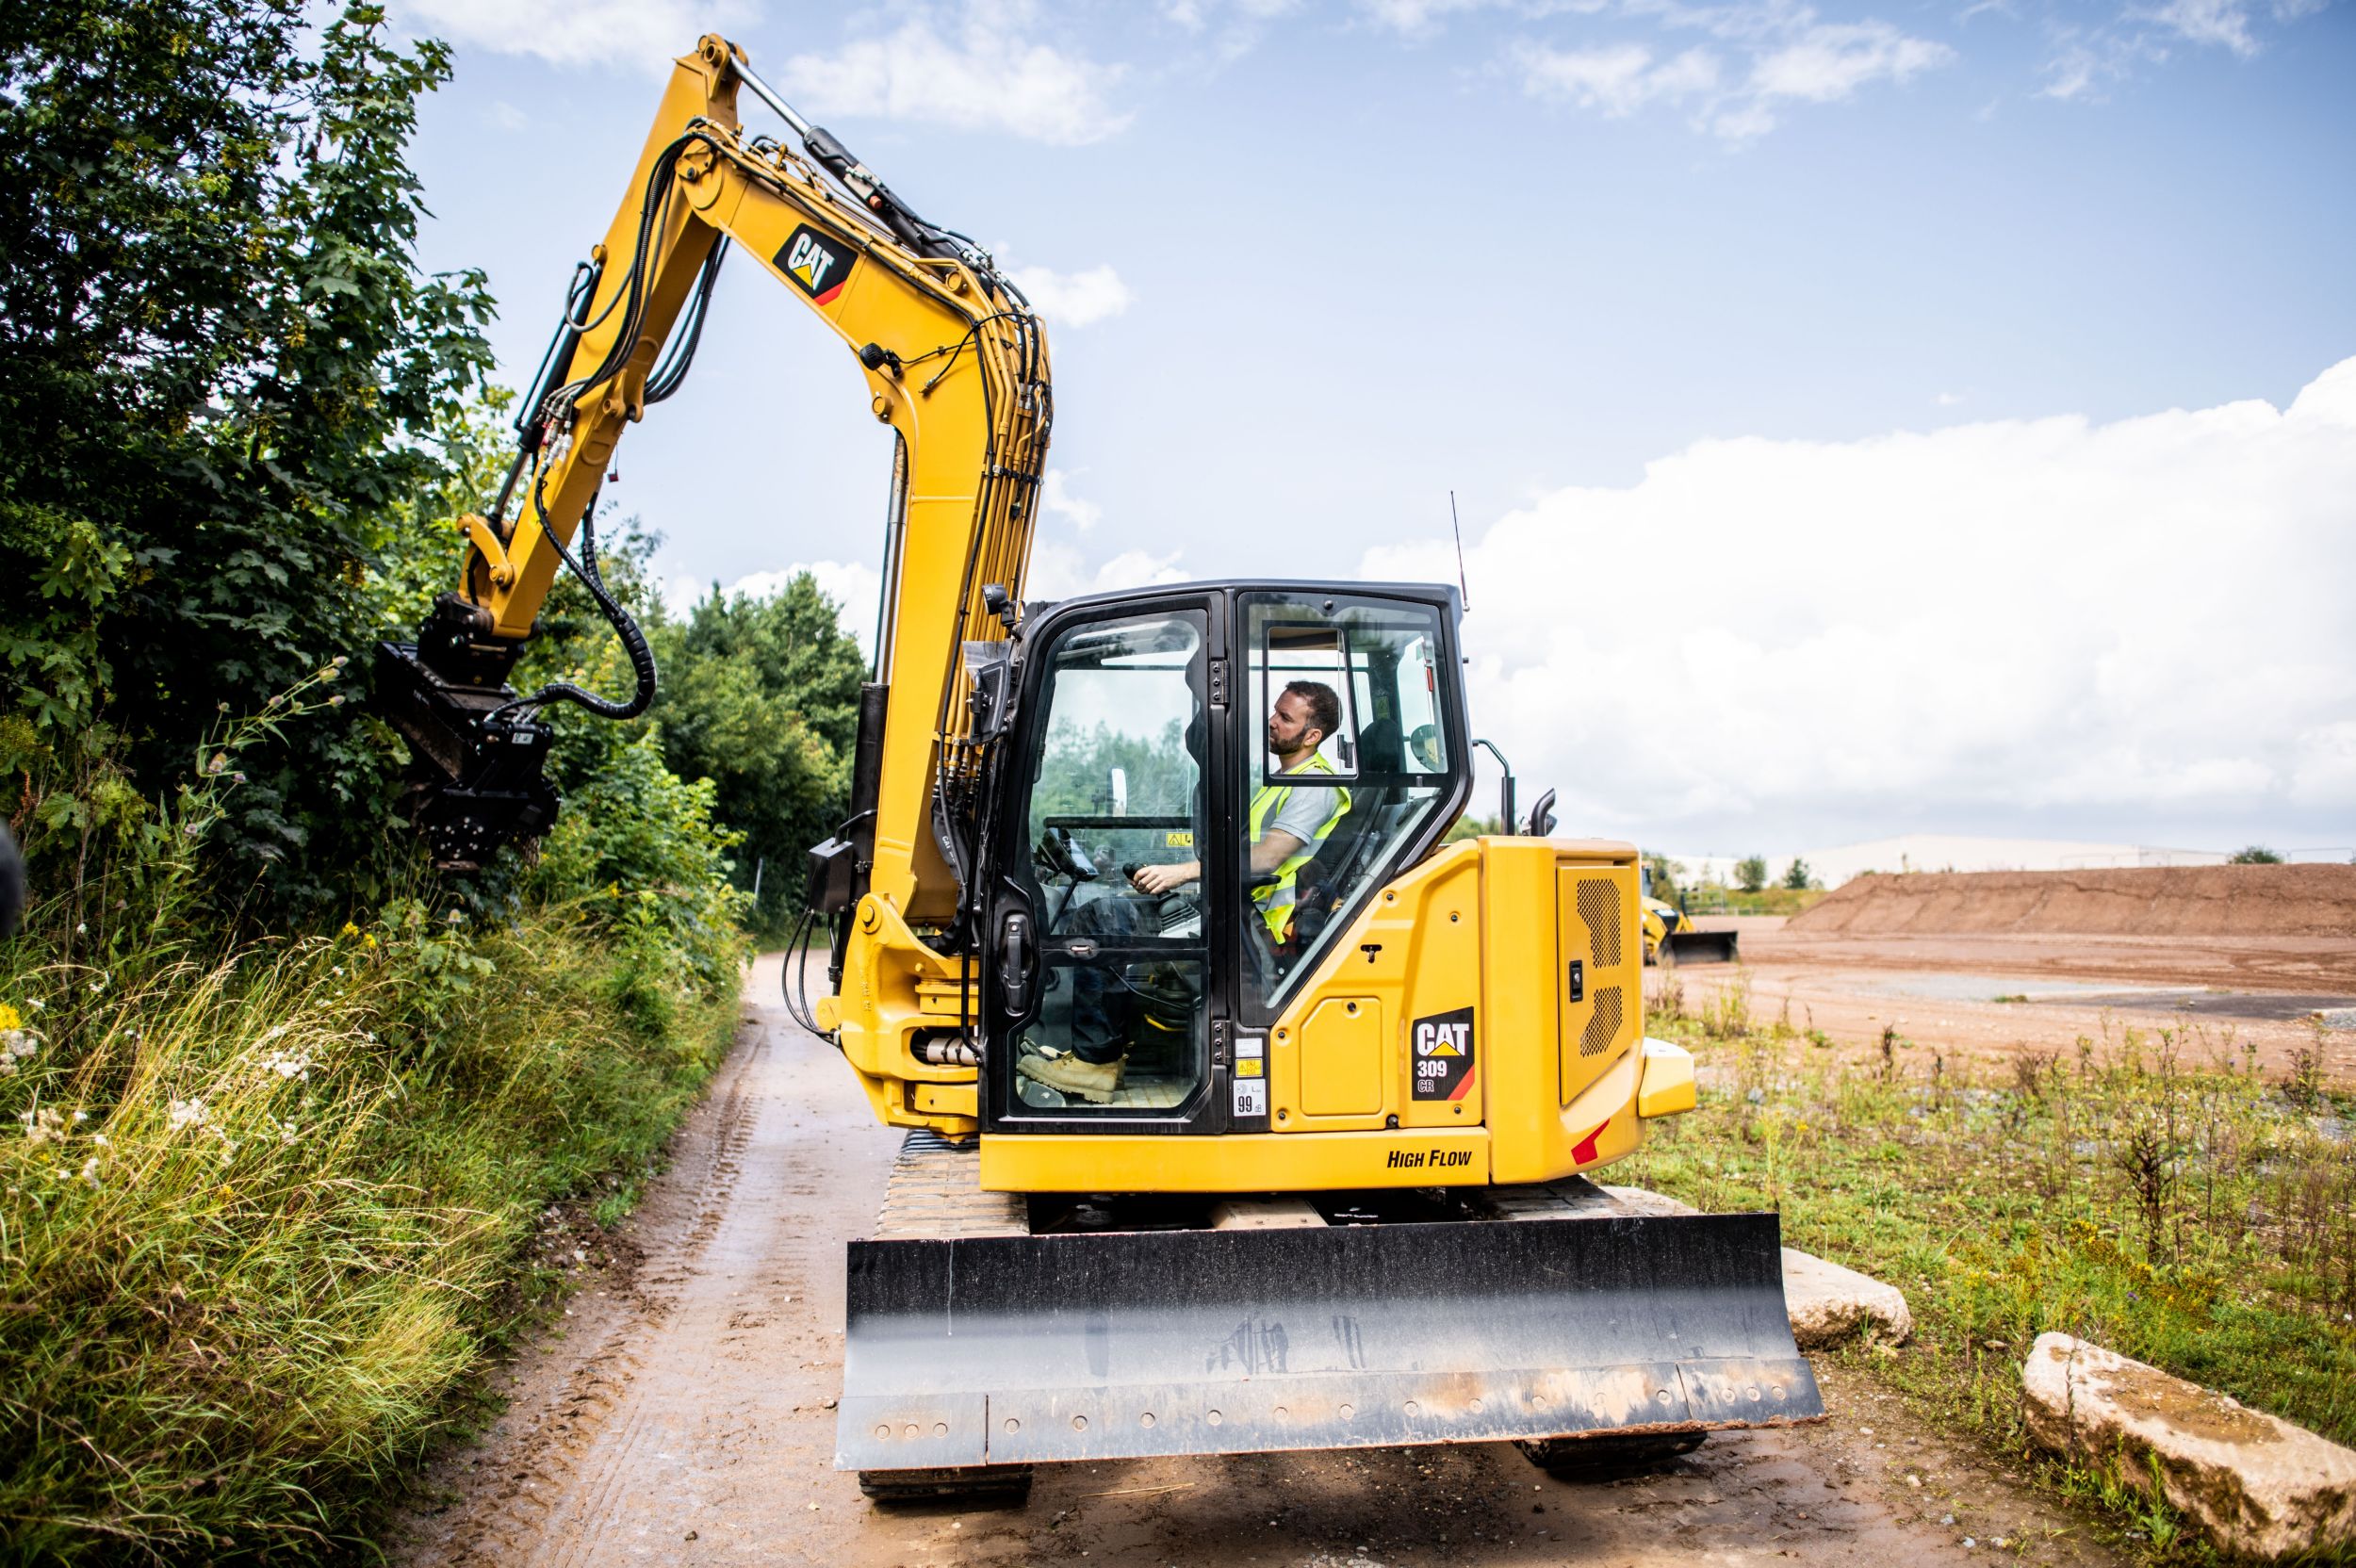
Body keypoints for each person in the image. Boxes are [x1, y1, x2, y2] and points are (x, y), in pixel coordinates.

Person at [1019, 680, 1350, 1103]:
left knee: (1101, 918)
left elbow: (1267, 860)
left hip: (1256, 920)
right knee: (1111, 908)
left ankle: (1096, 1061)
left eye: (1285, 718)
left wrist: (1184, 873)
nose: (1271, 721)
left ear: (1312, 736)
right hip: (1234, 903)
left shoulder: (1315, 786)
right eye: (1275, 711)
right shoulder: (1279, 779)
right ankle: (1100, 1054)